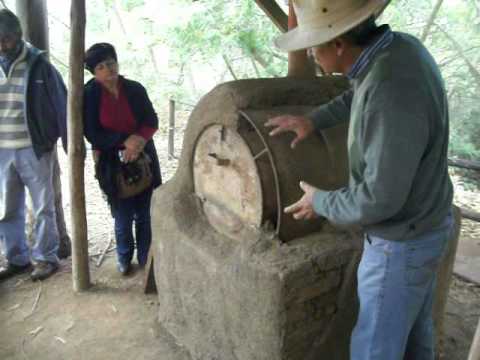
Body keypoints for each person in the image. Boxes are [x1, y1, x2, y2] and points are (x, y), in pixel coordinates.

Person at [265, 0, 454, 359]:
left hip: (401, 242)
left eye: (314, 45)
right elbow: (360, 94)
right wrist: (314, 119)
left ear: (338, 43)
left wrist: (321, 202)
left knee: (375, 348)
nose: (310, 54)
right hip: (428, 223)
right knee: (414, 337)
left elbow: (380, 199)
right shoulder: (398, 50)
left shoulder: (392, 91)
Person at [0, 9, 67, 282]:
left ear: (18, 35)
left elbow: (62, 105)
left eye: (5, 39)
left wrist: (63, 140)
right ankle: (16, 259)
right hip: (2, 150)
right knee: (8, 208)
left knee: (43, 206)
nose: (2, 45)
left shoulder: (39, 65)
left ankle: (45, 258)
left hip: (34, 148)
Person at [83, 43, 161, 275]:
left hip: (143, 154)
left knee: (146, 212)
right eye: (101, 66)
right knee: (122, 213)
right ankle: (124, 257)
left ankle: (146, 255)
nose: (108, 68)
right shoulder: (90, 95)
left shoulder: (135, 88)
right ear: (93, 72)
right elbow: (92, 132)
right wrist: (123, 141)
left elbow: (152, 120)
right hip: (111, 161)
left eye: (111, 62)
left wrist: (137, 141)